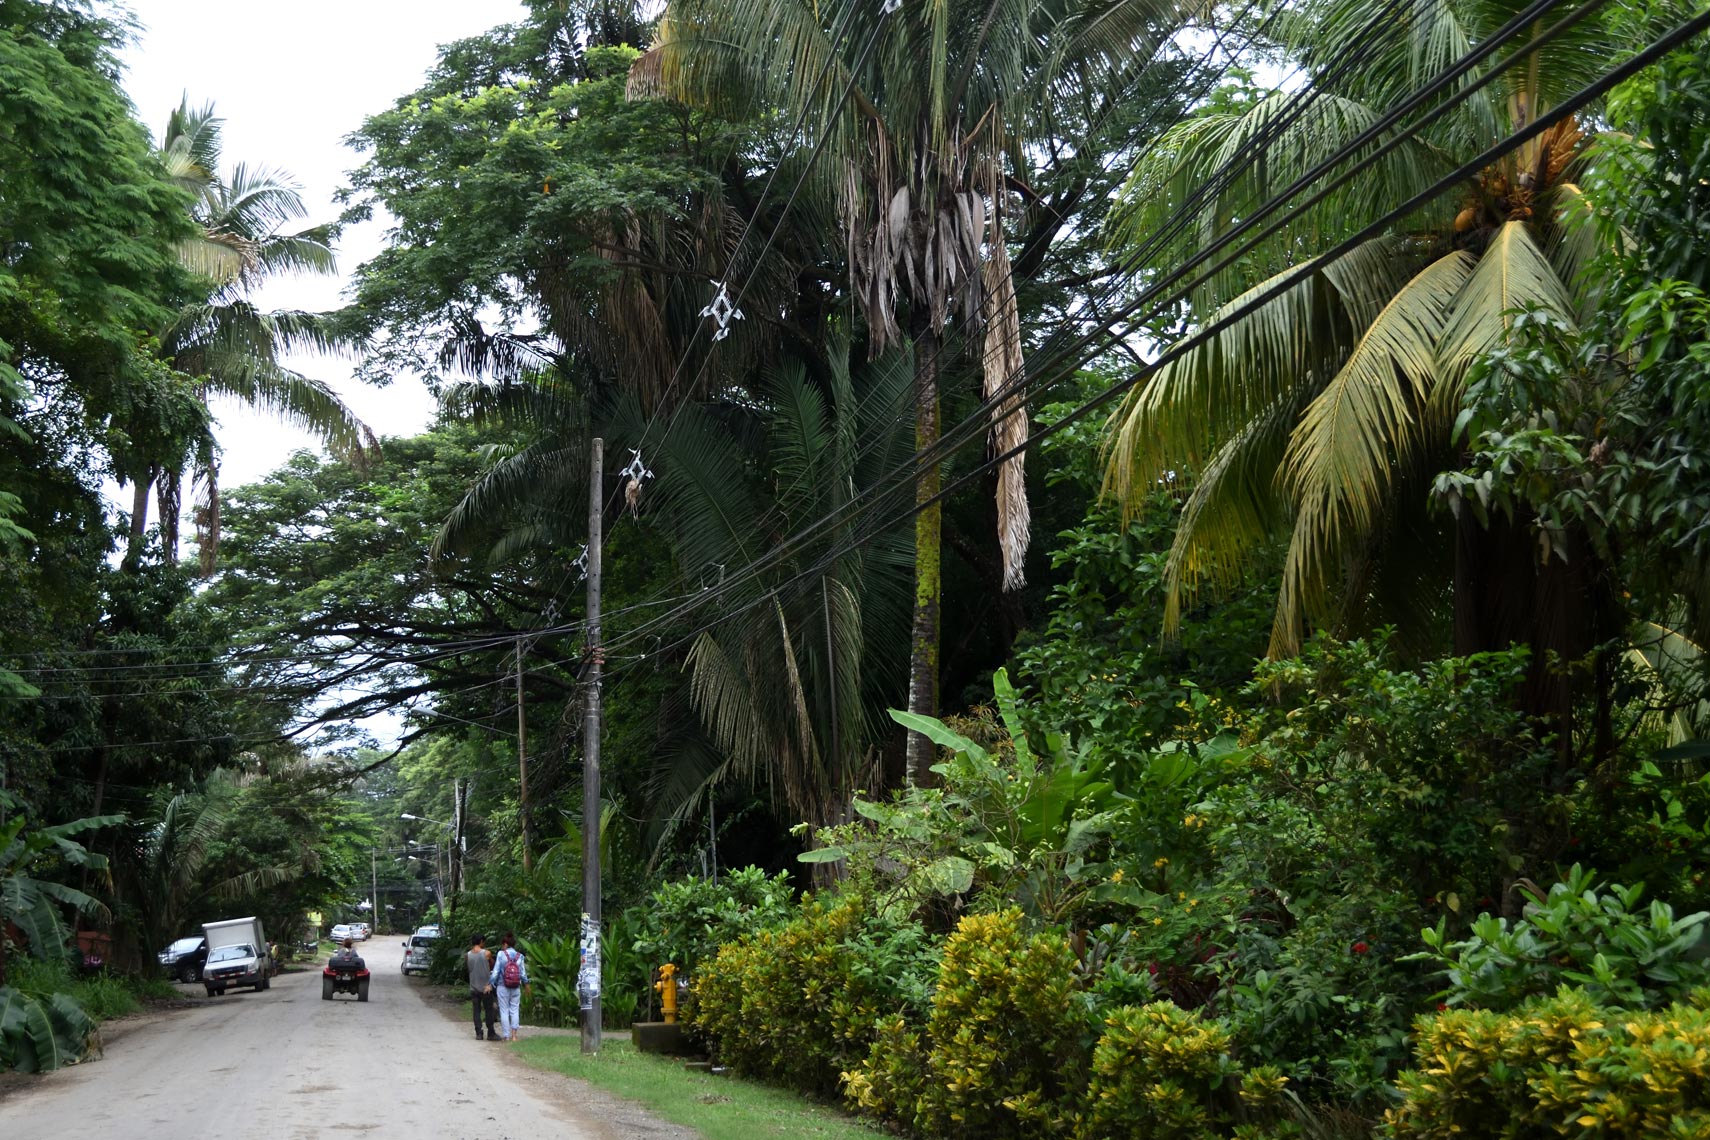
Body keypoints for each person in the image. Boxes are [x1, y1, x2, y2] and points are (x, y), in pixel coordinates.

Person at [488, 931, 529, 1042]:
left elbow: (495, 972)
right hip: (516, 987)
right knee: (515, 1010)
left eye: (503, 945)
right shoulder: (520, 956)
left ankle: (506, 1036)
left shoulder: (501, 954)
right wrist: (526, 984)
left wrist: (490, 984)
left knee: (504, 1011)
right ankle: (514, 1036)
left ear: (505, 944)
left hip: (502, 986)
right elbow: (523, 973)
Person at [466, 934, 499, 1040]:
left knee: (476, 1010)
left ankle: (478, 1033)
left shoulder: (468, 955)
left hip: (473, 986)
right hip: (486, 987)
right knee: (489, 1010)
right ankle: (491, 1033)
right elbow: (493, 966)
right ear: (481, 941)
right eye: (483, 942)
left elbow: (469, 969)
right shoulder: (486, 953)